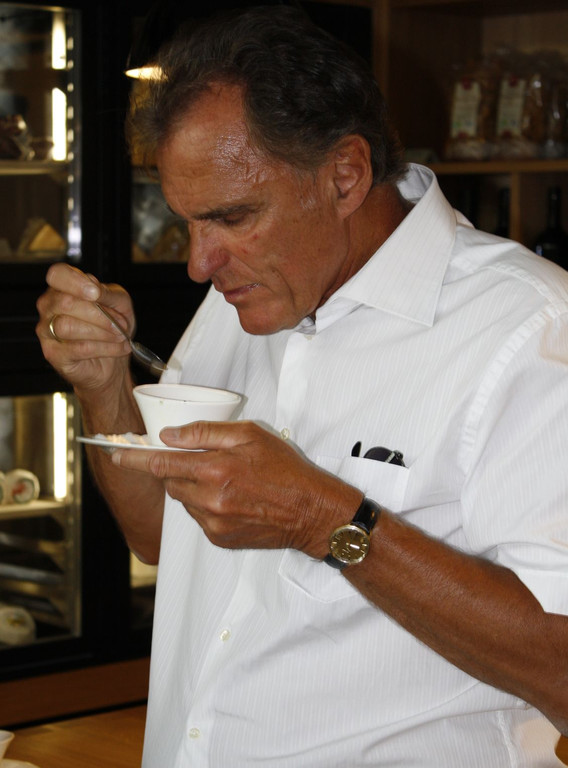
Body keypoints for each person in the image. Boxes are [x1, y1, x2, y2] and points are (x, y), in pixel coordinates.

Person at [36, 6, 568, 767]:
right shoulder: (242, 299)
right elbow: (160, 539)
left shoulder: (531, 329)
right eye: (187, 222)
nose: (198, 264)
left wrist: (325, 519)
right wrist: (104, 387)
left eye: (232, 217)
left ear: (345, 174)